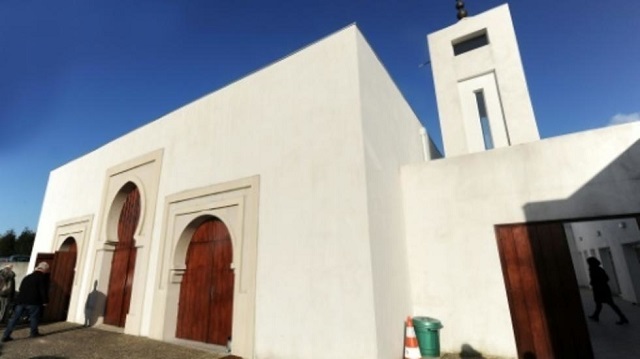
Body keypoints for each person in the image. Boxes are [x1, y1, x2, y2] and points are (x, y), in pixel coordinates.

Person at [1, 262, 50, 342]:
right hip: (34, 301)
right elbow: (43, 290)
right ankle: (33, 333)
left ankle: (6, 335)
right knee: (34, 317)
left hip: (21, 301)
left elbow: (20, 288)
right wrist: (45, 301)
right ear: (45, 269)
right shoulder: (41, 278)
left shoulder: (27, 277)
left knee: (14, 319)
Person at [586, 256, 629, 325]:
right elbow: (606, 278)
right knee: (605, 304)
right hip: (604, 289)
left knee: (604, 304)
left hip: (599, 290)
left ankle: (623, 317)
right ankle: (596, 316)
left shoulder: (594, 270)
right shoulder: (599, 269)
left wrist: (594, 283)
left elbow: (598, 279)